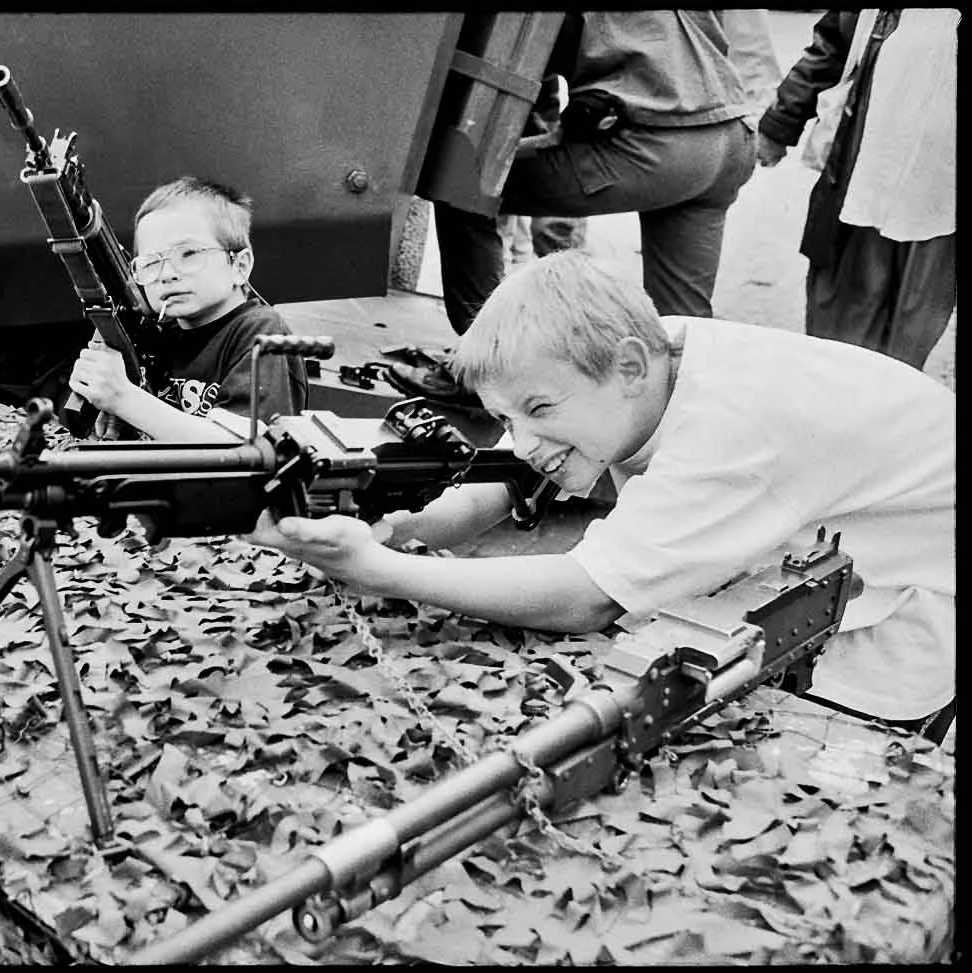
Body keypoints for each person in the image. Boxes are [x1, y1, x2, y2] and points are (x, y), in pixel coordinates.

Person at [249, 251, 955, 741]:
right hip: (830, 557)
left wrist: (378, 570)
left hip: (900, 621)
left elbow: (588, 596)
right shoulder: (638, 362)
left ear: (626, 366)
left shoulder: (730, 434)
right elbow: (514, 475)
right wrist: (403, 523)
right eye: (506, 417)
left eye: (538, 411)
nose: (523, 438)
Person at [391, 10, 761, 402]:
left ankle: (485, 372)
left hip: (657, 144)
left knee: (461, 183)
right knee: (682, 326)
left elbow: (516, 55)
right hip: (730, 139)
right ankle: (689, 421)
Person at [755, 9, 957, 371]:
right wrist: (781, 121)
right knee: (843, 316)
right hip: (867, 166)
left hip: (942, 191)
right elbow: (832, 42)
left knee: (913, 323)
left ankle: (892, 405)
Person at [67, 177, 309, 441]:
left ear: (239, 266)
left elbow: (242, 448)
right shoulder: (158, 336)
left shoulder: (262, 332)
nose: (167, 274)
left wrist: (124, 398)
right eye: (150, 263)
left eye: (189, 254)